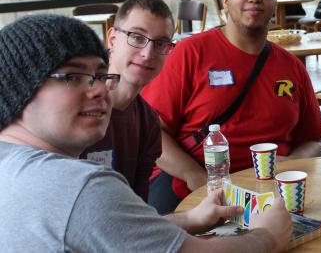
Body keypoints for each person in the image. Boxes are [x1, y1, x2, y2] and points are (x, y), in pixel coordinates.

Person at [0, 14, 293, 252]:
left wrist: (189, 219)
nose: (100, 89)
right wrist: (267, 235)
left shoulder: (13, 167)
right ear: (19, 87)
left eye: (101, 76)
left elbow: (116, 233)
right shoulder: (81, 188)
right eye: (74, 76)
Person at [142, 0, 321, 214]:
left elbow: (312, 139)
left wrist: (293, 163)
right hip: (195, 190)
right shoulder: (190, 53)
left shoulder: (292, 67)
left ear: (275, 3)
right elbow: (151, 132)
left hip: (272, 195)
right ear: (226, 1)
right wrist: (195, 176)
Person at [79, 0, 174, 201]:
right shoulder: (77, 104)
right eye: (137, 37)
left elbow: (138, 208)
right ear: (112, 39)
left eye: (160, 44)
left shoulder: (147, 122)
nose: (148, 54)